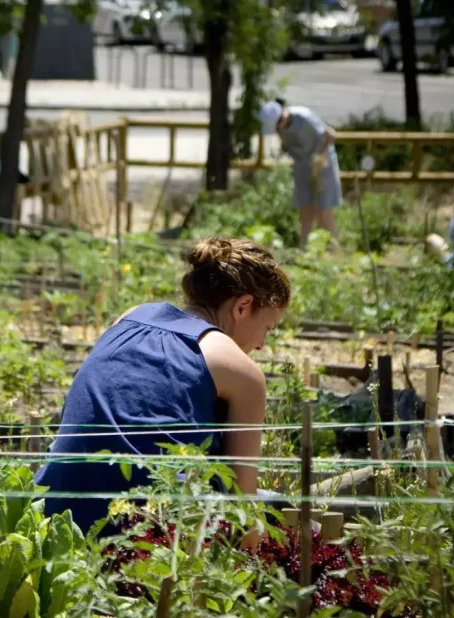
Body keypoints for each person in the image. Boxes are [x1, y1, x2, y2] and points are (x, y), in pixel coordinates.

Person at [35, 237, 291, 534]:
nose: (261, 345)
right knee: (274, 510)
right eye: (267, 329)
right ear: (243, 307)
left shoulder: (131, 316)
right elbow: (244, 512)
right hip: (142, 542)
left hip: (56, 522)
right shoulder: (240, 371)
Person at [259, 99, 341, 246]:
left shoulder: (304, 118)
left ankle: (333, 249)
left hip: (323, 165)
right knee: (304, 210)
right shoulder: (280, 128)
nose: (277, 130)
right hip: (302, 167)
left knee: (323, 212)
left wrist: (319, 161)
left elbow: (328, 136)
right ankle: (304, 248)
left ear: (283, 118)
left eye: (277, 126)